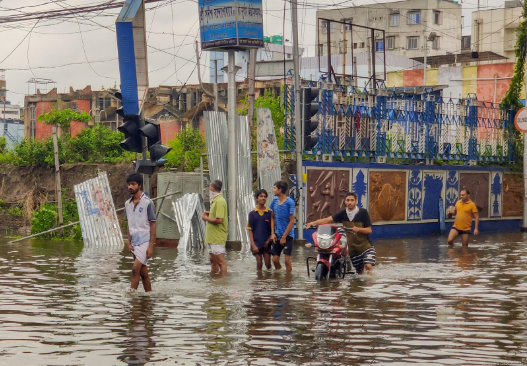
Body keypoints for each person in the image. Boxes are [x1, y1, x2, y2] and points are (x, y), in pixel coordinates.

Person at [306, 192, 375, 275]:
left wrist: (358, 229)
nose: (350, 202)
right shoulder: (343, 213)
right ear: (345, 202)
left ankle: (371, 285)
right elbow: (327, 220)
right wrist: (312, 223)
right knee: (360, 273)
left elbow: (369, 230)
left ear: (356, 201)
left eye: (352, 200)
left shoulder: (363, 212)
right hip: (353, 250)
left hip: (366, 247)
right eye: (348, 200)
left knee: (368, 266)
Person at [125, 173, 156, 292]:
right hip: (134, 241)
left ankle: (132, 297)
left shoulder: (148, 203)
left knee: (135, 269)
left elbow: (153, 223)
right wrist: (129, 243)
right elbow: (129, 224)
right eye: (129, 184)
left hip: (145, 240)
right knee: (143, 273)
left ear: (139, 186)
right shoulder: (127, 204)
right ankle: (149, 296)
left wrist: (151, 246)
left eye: (133, 184)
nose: (130, 187)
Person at [202, 180, 228, 276]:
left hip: (217, 236)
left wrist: (206, 218)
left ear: (212, 188)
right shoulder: (215, 201)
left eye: (209, 188)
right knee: (213, 260)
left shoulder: (220, 201)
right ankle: (214, 280)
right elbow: (217, 216)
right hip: (211, 237)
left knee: (220, 261)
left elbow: (219, 220)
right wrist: (210, 214)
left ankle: (222, 283)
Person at [269, 181, 295, 271]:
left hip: (288, 235)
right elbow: (272, 217)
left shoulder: (290, 202)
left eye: (275, 188)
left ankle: (288, 280)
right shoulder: (274, 201)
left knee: (287, 260)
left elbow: (292, 221)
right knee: (275, 260)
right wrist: (272, 233)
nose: (273, 190)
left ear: (280, 190)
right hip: (277, 234)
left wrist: (284, 237)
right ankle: (279, 277)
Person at [247, 189, 274, 271]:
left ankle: (268, 280)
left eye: (265, 196)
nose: (263, 198)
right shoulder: (252, 214)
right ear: (256, 198)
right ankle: (259, 281)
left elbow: (273, 229)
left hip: (267, 242)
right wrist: (253, 244)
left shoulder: (270, 213)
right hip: (256, 242)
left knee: (268, 264)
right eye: (261, 196)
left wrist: (268, 241)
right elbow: (250, 229)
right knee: (259, 263)